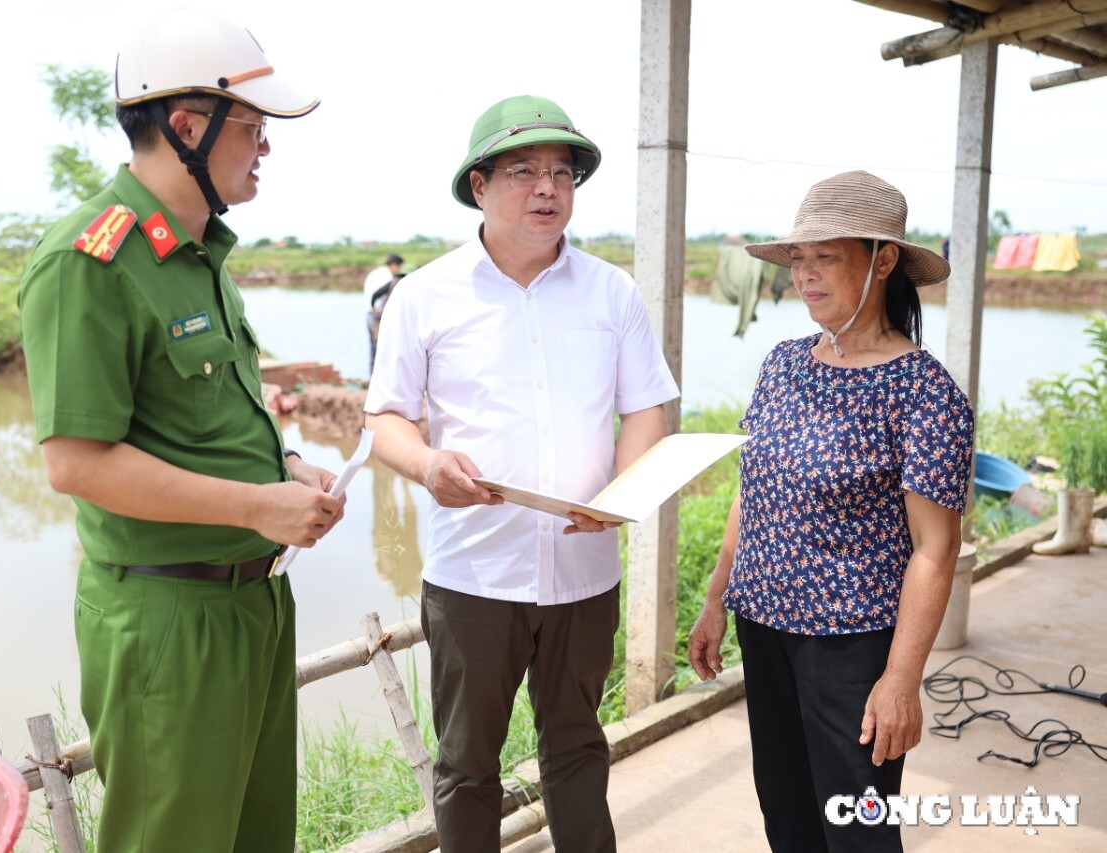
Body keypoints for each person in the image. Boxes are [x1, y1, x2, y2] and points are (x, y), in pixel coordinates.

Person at [16, 9, 344, 851]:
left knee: (256, 834)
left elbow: (215, 415)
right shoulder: (90, 261)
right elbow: (75, 463)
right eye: (252, 126)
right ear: (186, 125)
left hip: (253, 601)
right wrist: (253, 507)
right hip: (169, 613)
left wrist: (292, 469)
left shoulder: (203, 255)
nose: (265, 146)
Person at [364, 94, 679, 853]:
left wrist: (623, 491)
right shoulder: (424, 296)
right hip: (474, 572)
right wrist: (429, 462)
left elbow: (648, 413)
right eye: (524, 171)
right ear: (479, 185)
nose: (547, 188)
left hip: (584, 567)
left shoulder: (613, 292)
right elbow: (384, 421)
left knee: (577, 746)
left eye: (562, 173)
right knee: (467, 763)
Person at [687, 171, 974, 852]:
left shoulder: (923, 391)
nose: (804, 276)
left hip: (851, 650)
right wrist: (716, 596)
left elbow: (936, 549)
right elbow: (751, 489)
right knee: (786, 814)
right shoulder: (783, 364)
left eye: (825, 257)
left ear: (882, 260)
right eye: (797, 259)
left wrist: (901, 679)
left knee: (856, 830)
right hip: (764, 628)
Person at [364, 253, 404, 373]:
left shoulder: (374, 273)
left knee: (373, 348)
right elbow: (380, 295)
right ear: (394, 265)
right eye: (399, 267)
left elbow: (372, 296)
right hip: (379, 317)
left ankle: (372, 380)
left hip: (369, 315)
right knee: (383, 349)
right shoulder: (388, 277)